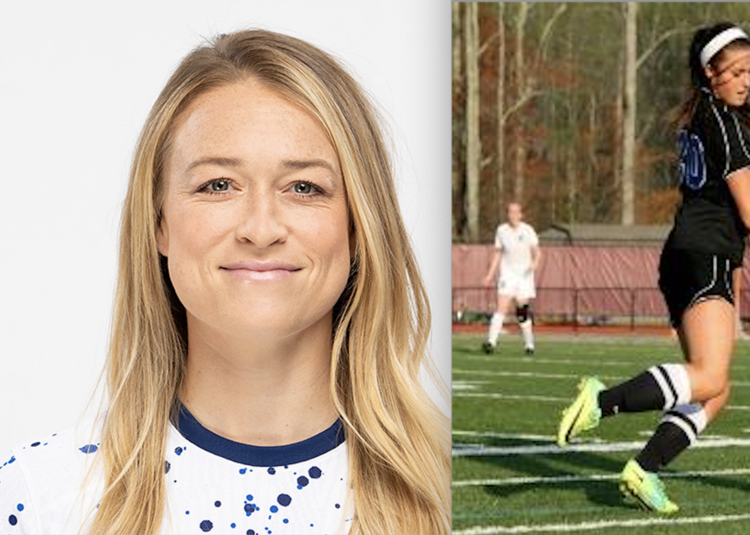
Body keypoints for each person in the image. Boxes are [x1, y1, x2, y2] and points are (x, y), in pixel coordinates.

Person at [0, 30, 450, 534]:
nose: (260, 229)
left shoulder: (447, 495)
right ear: (159, 223)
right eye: (218, 185)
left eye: (304, 187)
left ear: (358, 225)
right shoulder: (42, 498)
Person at [554, 22, 750, 514]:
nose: (744, 80)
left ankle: (644, 468)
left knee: (714, 389)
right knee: (710, 378)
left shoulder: (703, 117)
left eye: (749, 71)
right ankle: (600, 401)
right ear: (708, 72)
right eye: (734, 72)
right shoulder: (723, 122)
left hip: (689, 254)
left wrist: (745, 251)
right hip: (703, 254)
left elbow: (735, 212)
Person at [482, 202, 541, 355]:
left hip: (524, 277)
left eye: (516, 212)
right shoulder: (501, 230)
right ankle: (491, 342)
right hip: (507, 275)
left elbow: (537, 252)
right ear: (507, 214)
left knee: (522, 312)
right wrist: (489, 274)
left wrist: (534, 263)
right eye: (510, 212)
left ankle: (529, 344)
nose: (513, 215)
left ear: (521, 215)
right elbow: (497, 254)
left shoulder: (528, 230)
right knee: (501, 307)